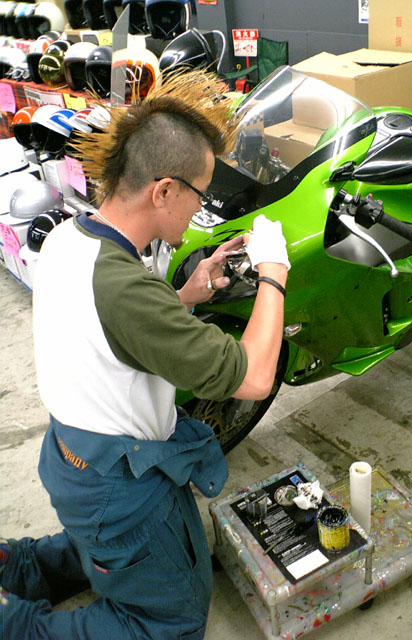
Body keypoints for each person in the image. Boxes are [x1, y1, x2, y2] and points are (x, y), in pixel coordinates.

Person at [0, 70, 290, 639]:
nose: (200, 211)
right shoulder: (127, 288)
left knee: (137, 551)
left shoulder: (71, 237)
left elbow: (110, 329)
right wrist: (273, 272)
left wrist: (186, 296)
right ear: (164, 191)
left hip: (71, 460)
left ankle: (21, 565)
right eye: (200, 195)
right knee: (172, 621)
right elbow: (256, 377)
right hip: (112, 486)